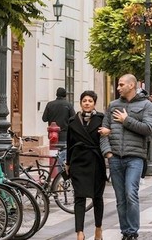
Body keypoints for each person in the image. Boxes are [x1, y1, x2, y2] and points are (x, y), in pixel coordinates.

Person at [99, 74, 152, 240]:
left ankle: (132, 232)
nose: (118, 88)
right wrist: (108, 153)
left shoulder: (146, 105)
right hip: (115, 157)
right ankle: (125, 233)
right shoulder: (113, 105)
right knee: (120, 198)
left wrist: (126, 120)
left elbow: (149, 129)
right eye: (118, 84)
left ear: (131, 85)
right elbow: (103, 131)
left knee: (131, 193)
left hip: (135, 157)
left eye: (121, 84)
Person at [66, 90, 106, 240]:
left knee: (97, 197)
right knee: (79, 197)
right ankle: (79, 233)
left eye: (90, 101)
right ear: (80, 103)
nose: (87, 103)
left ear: (94, 103)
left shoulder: (101, 119)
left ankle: (98, 228)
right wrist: (68, 162)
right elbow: (69, 143)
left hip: (96, 162)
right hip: (78, 162)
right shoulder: (72, 121)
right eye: (84, 101)